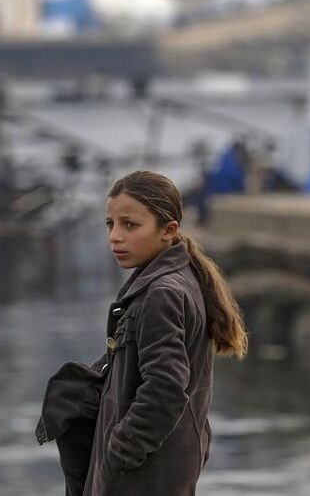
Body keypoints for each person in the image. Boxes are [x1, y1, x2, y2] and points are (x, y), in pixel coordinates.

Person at [40, 170, 248, 496]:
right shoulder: (175, 279)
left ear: (168, 231)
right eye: (110, 224)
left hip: (144, 474)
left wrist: (119, 452)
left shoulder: (161, 292)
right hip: (160, 465)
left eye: (130, 225)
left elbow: (165, 388)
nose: (115, 236)